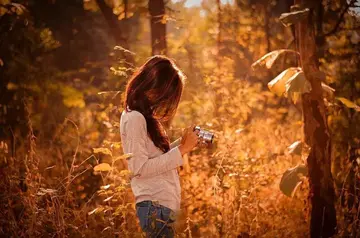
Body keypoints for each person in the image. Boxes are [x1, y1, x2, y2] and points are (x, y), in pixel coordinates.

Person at [120, 55, 199, 237]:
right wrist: (181, 150)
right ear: (154, 87)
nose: (164, 101)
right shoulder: (135, 119)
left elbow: (154, 159)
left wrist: (182, 143)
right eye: (166, 95)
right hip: (154, 205)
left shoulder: (142, 116)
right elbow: (139, 168)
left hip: (161, 204)